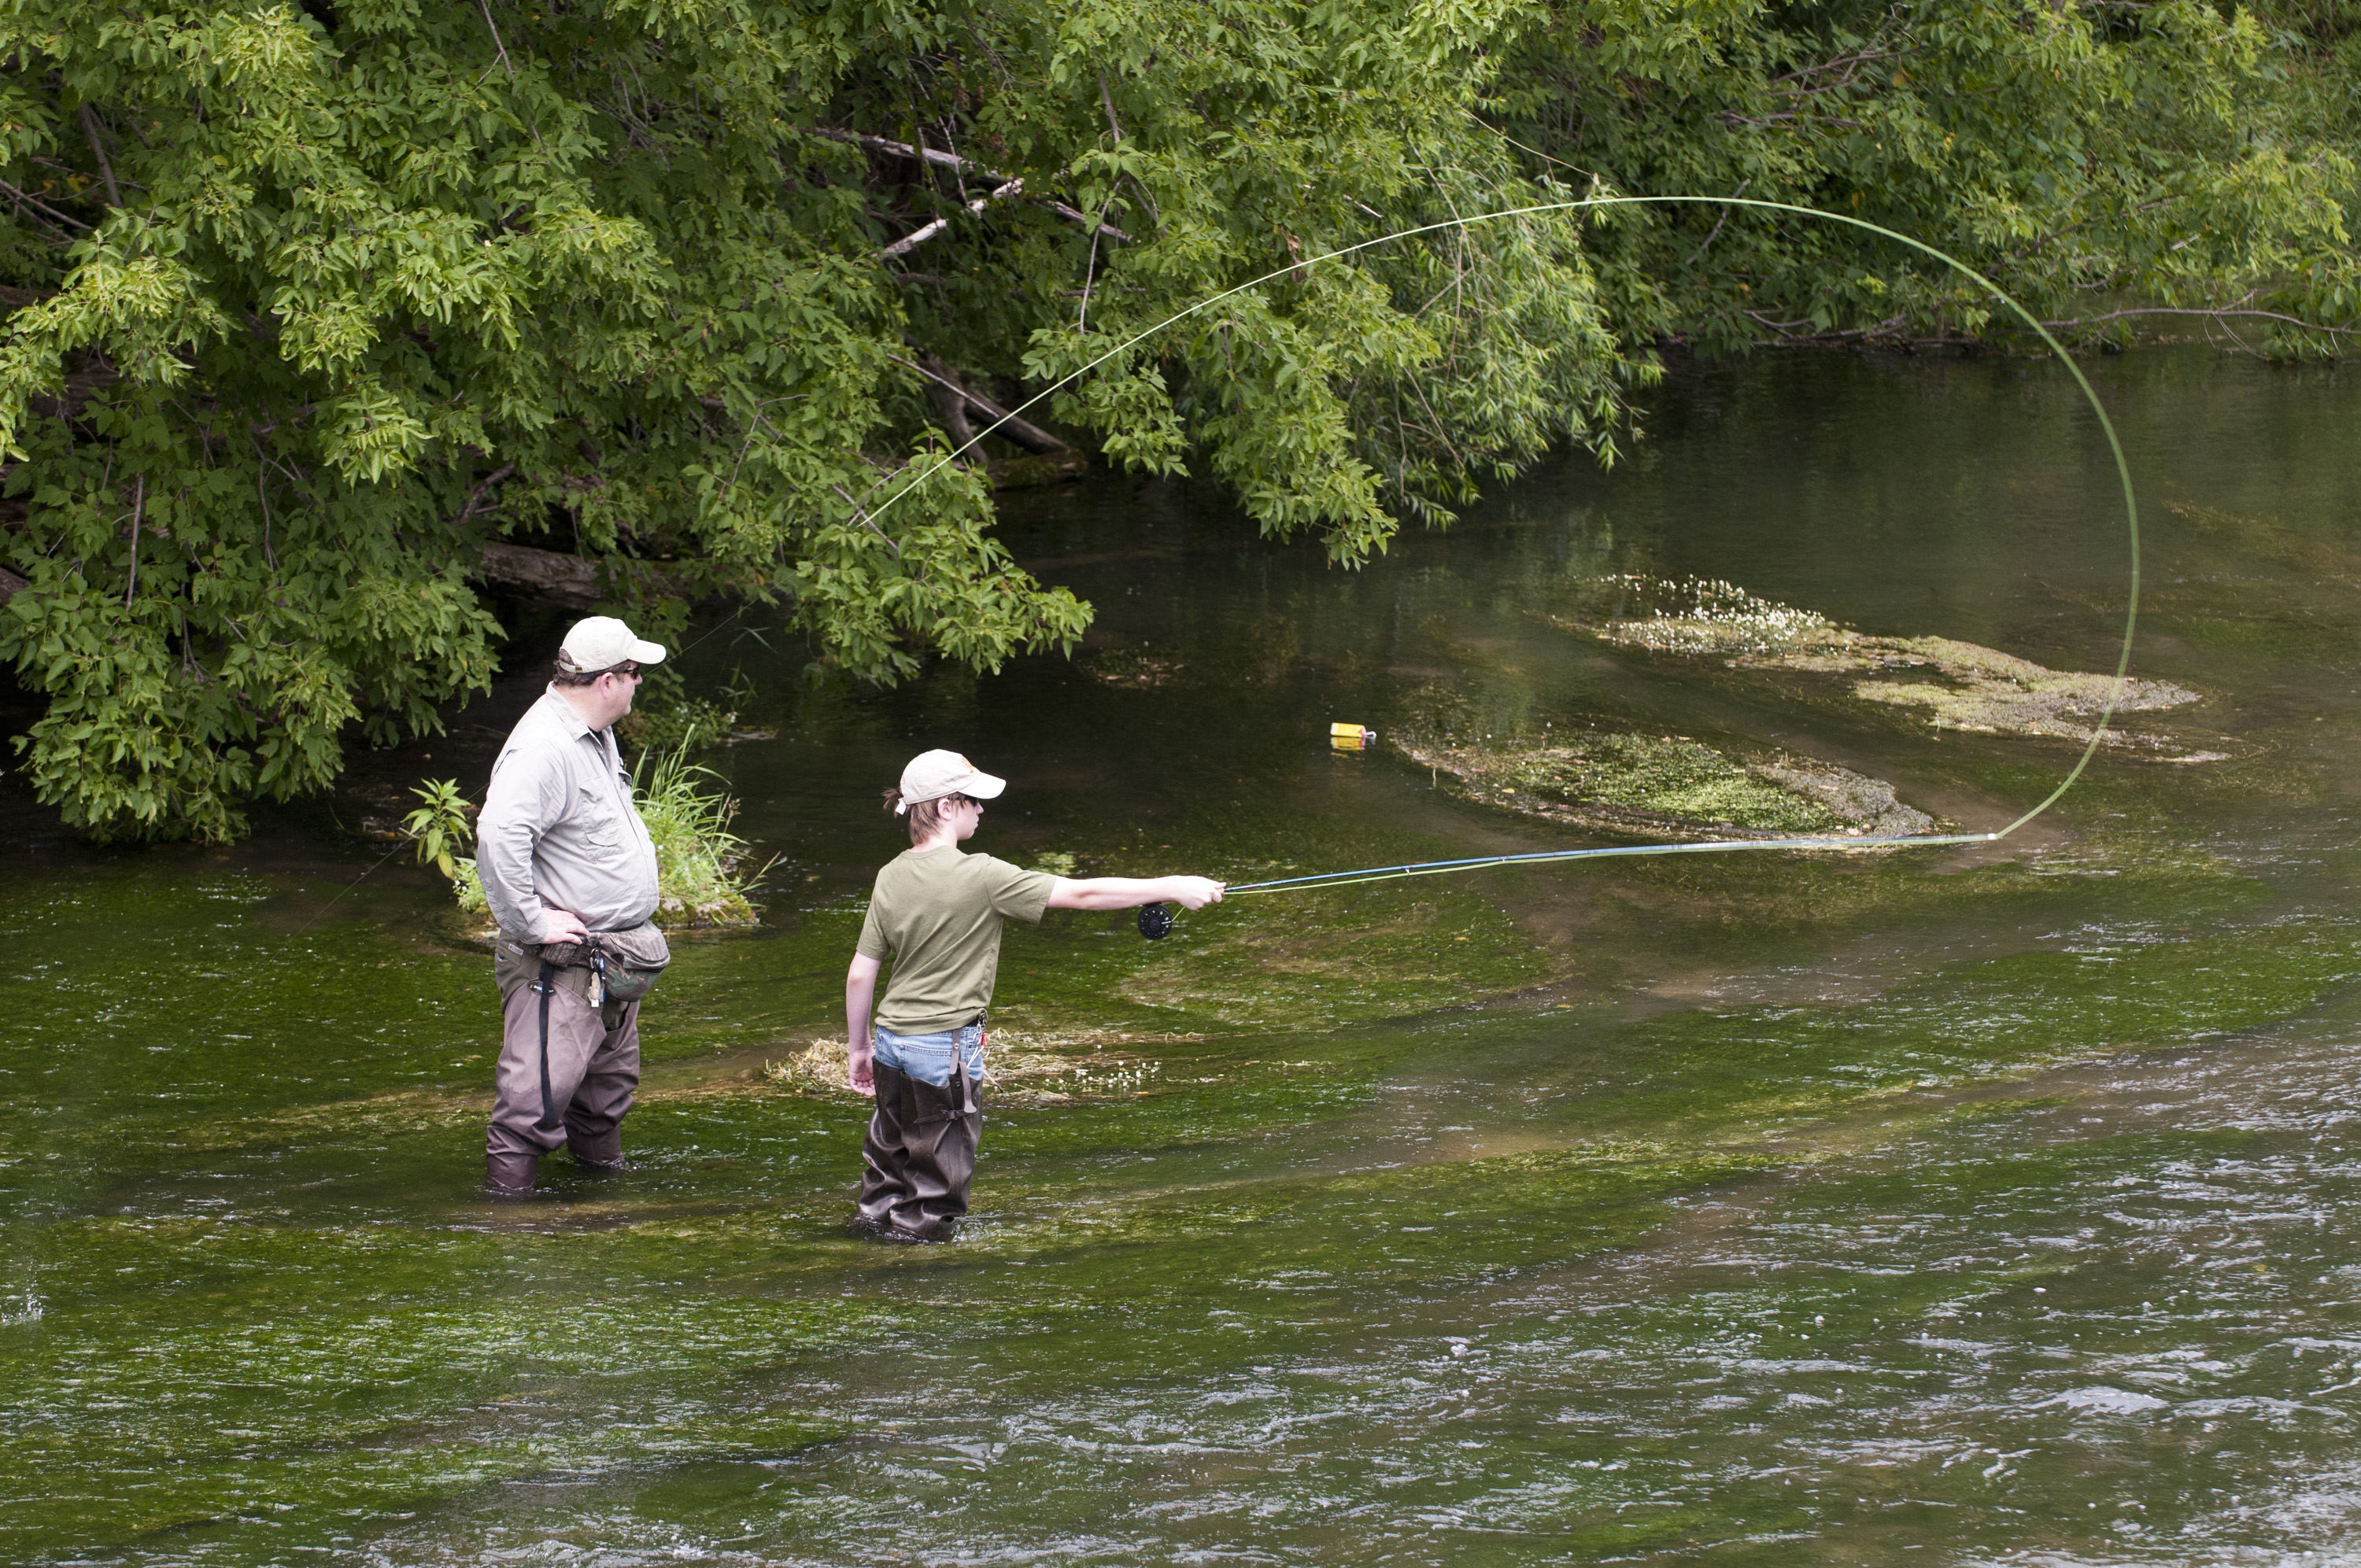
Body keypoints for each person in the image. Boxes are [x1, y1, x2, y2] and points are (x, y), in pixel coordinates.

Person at [844, 749, 1225, 1242]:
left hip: (893, 1042)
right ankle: (917, 1285)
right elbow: (1083, 895)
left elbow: (861, 973)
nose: (982, 810)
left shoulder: (889, 874)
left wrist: (859, 1050)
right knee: (937, 1185)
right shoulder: (981, 874)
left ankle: (865, 1252)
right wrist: (1172, 886)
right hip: (944, 1049)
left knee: (887, 1169)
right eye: (974, 802)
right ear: (944, 807)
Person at [475, 615, 671, 1196]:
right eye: (635, 674)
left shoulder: (597, 734)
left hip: (611, 961)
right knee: (529, 1108)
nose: (640, 684)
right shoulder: (544, 746)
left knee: (603, 1100)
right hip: (561, 968)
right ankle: (509, 1227)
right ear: (607, 680)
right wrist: (532, 922)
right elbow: (498, 834)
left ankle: (600, 1212)